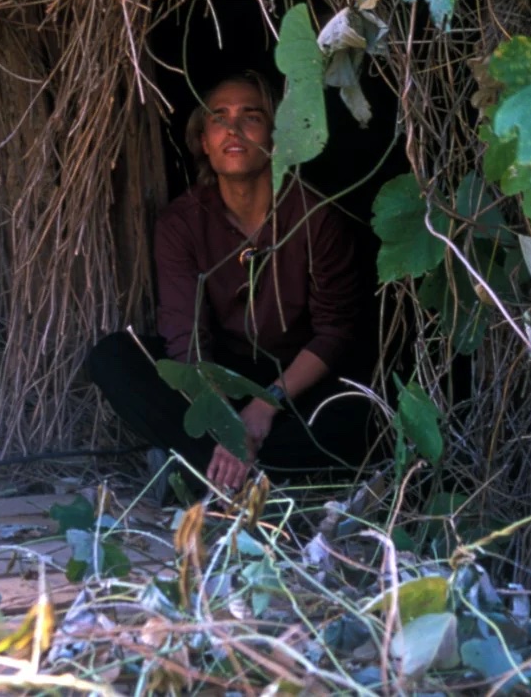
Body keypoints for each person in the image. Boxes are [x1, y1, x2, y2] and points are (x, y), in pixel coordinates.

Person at [88, 71, 380, 491]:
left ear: (277, 134)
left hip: (296, 384)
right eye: (218, 118)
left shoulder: (316, 217)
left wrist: (267, 404)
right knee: (113, 357)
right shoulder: (182, 222)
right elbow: (185, 338)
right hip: (219, 379)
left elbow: (334, 332)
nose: (233, 129)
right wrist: (228, 423)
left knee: (365, 412)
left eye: (252, 116)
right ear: (204, 142)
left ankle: (201, 470)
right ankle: (249, 473)